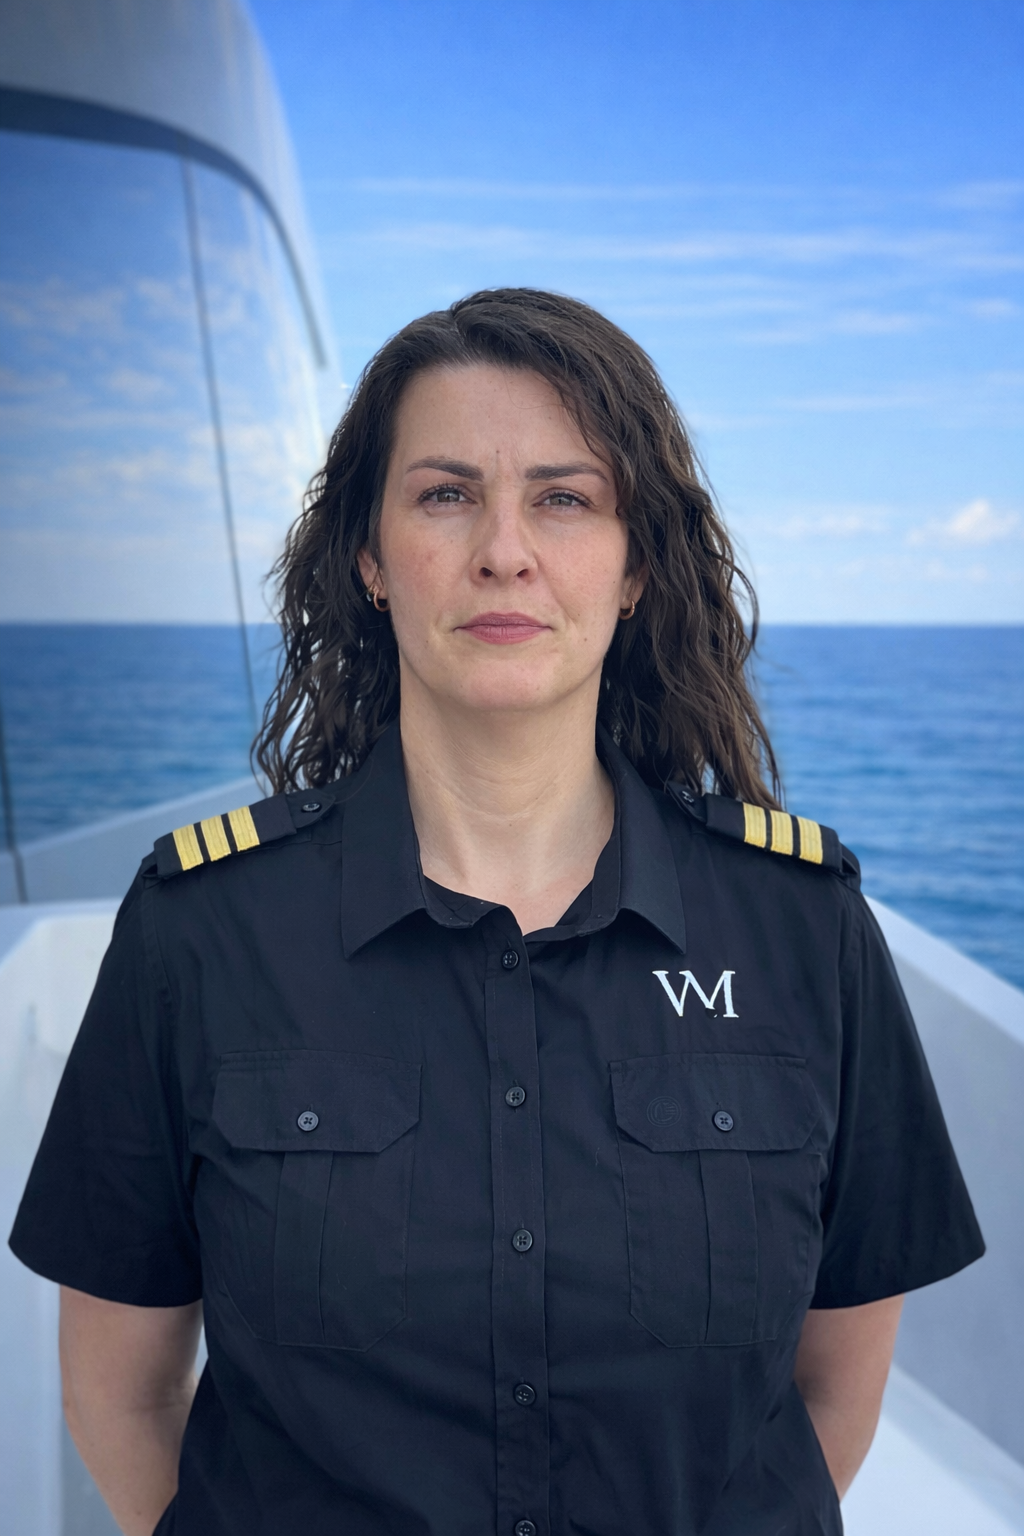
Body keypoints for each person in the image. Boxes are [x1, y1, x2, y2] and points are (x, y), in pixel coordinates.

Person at [11, 288, 983, 1536]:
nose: (504, 551)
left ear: (635, 567)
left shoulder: (801, 926)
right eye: (445, 493)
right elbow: (122, 1392)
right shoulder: (198, 928)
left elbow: (831, 1387)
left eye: (564, 498)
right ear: (367, 557)